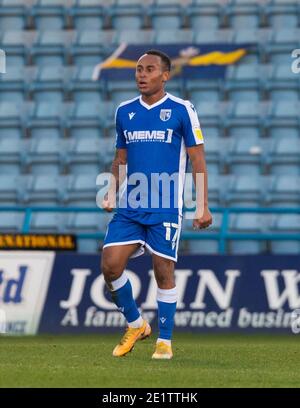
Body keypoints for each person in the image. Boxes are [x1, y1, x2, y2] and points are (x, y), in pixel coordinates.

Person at [101, 49, 212, 359]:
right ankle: (136, 324)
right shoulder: (124, 111)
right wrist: (112, 191)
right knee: (110, 265)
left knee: (163, 270)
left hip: (165, 205)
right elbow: (120, 159)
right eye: (138, 69)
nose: (142, 74)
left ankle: (165, 341)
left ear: (165, 75)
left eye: (149, 69)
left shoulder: (181, 109)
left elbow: (197, 157)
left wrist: (201, 205)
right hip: (131, 205)